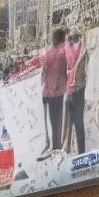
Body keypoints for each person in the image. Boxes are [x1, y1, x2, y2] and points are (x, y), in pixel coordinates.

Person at [40, 26, 68, 156]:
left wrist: (46, 87)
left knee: (52, 120)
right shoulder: (61, 54)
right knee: (57, 121)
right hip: (56, 93)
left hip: (47, 93)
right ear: (61, 41)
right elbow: (58, 72)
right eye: (65, 40)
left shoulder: (48, 53)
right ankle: (56, 148)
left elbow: (44, 73)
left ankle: (52, 146)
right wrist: (59, 86)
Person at [65, 28, 89, 155]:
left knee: (77, 123)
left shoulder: (78, 47)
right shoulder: (69, 48)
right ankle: (75, 152)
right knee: (75, 123)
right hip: (71, 90)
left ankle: (80, 152)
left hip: (76, 89)